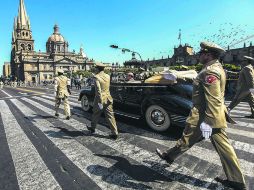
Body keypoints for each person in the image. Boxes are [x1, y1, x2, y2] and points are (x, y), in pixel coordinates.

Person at [156, 41, 246, 190]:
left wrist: (208, 123)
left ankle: (237, 181)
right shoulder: (215, 68)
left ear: (208, 55)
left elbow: (214, 99)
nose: (199, 56)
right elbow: (201, 82)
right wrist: (181, 76)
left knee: (223, 149)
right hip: (207, 115)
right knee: (188, 137)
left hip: (208, 116)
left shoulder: (209, 72)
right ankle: (170, 156)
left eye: (201, 54)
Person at [87, 62, 119, 140]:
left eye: (95, 68)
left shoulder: (96, 77)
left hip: (100, 99)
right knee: (110, 116)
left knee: (96, 113)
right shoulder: (108, 76)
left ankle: (92, 128)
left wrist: (100, 102)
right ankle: (115, 133)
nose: (95, 69)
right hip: (108, 98)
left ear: (97, 68)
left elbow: (98, 91)